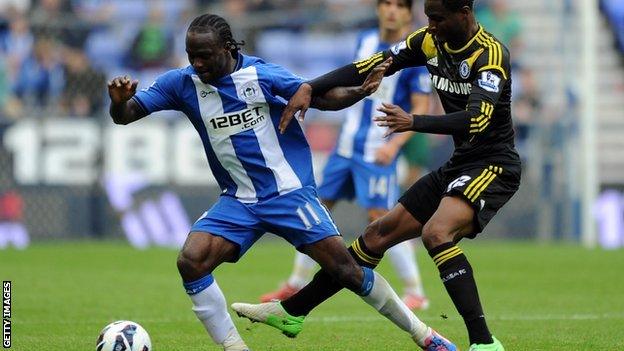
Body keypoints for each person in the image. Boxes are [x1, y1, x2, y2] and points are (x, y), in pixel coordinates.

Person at [107, 13, 456, 351]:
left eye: (205, 56)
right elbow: (127, 115)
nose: (197, 64)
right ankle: (234, 347)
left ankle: (424, 335)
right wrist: (118, 103)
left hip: (289, 192)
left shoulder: (262, 74)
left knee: (346, 271)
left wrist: (360, 92)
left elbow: (318, 97)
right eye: (191, 56)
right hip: (238, 199)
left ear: (228, 48)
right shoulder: (181, 84)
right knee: (191, 260)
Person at [233, 1, 520, 350]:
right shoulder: (429, 41)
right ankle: (293, 311)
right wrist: (309, 87)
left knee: (437, 232)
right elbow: (369, 65)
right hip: (460, 164)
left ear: (464, 12)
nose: (429, 25)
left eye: (437, 18)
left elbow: (477, 120)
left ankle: (484, 343)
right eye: (427, 17)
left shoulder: (489, 55)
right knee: (376, 233)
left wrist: (414, 121)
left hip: (494, 164)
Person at [259, 0, 431, 311]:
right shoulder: (364, 41)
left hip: (377, 150)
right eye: (387, 4)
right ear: (378, 8)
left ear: (408, 13)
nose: (392, 10)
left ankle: (415, 290)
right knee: (315, 209)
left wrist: (394, 145)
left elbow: (421, 107)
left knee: (382, 219)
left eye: (399, 6)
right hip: (346, 145)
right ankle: (295, 283)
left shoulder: (415, 54)